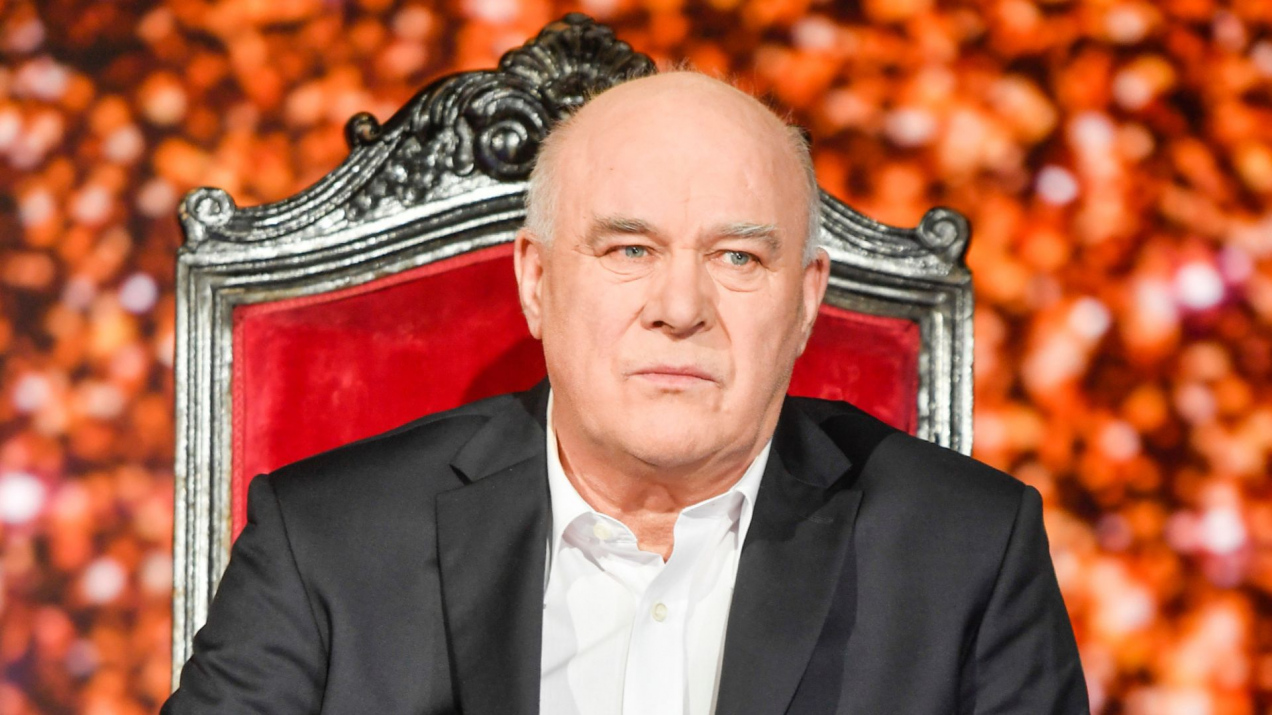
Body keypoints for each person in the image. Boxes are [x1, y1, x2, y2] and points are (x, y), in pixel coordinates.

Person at [162, 71, 1088, 714]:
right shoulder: (327, 543)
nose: (680, 308)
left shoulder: (968, 549)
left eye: (738, 257)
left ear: (807, 300)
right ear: (536, 281)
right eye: (629, 248)